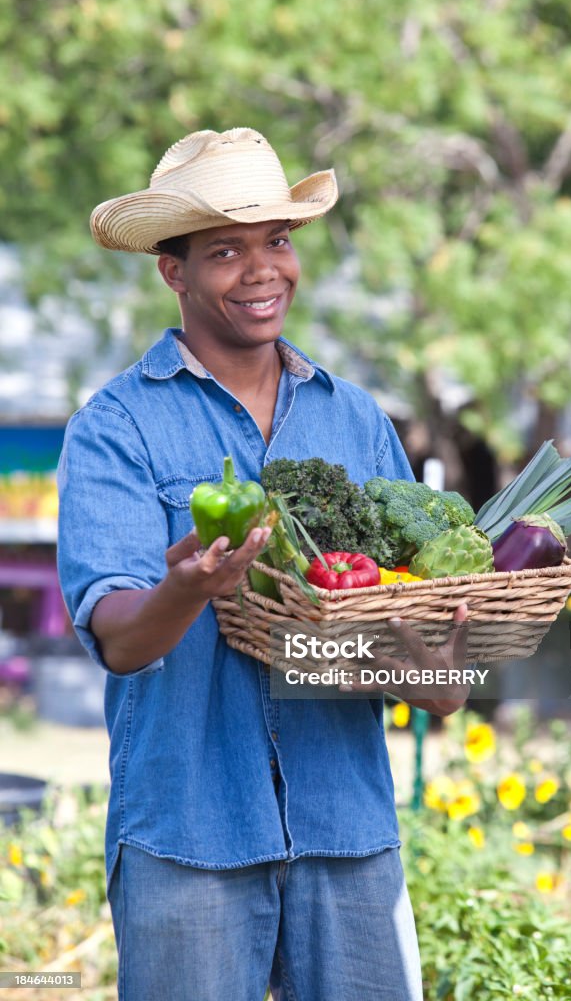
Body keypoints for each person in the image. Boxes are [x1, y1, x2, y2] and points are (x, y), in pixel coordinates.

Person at [57, 127, 468, 1001]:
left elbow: (431, 677)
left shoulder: (356, 422)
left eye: (276, 241)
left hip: (347, 831)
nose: (261, 270)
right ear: (173, 271)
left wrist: (434, 667)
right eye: (225, 251)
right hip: (188, 833)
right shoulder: (116, 428)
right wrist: (186, 589)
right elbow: (122, 641)